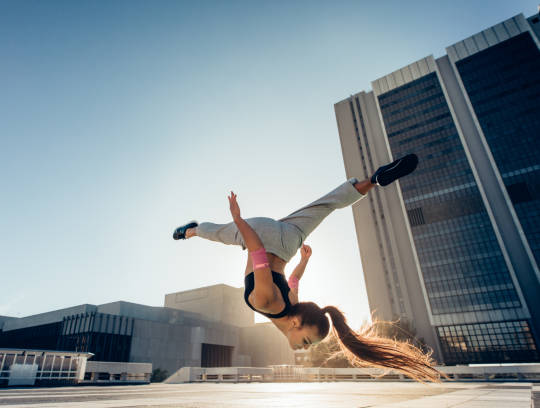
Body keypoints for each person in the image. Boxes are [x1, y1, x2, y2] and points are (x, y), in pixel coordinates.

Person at [173, 154, 442, 382]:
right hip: (262, 235)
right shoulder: (267, 303)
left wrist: (303, 260)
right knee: (222, 232)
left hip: (290, 240)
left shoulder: (293, 304)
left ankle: (374, 180)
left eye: (306, 344)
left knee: (326, 205)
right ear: (295, 322)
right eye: (306, 342)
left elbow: (293, 279)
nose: (303, 348)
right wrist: (238, 219)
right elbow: (256, 250)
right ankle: (191, 231)